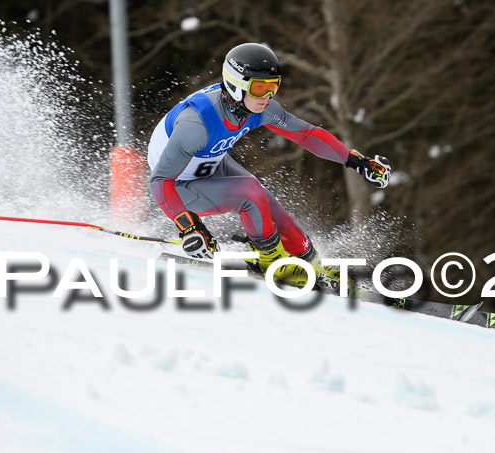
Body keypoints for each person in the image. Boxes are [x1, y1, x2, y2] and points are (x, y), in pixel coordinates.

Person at [147, 43, 391, 287]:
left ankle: (309, 262)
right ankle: (272, 261)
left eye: (273, 86)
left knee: (267, 205)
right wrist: (190, 227)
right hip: (177, 184)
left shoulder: (255, 106)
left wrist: (356, 161)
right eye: (260, 88)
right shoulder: (195, 125)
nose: (267, 96)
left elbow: (307, 134)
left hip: (208, 161)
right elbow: (159, 181)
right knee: (250, 194)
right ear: (235, 84)